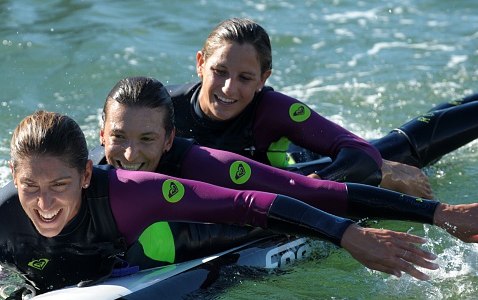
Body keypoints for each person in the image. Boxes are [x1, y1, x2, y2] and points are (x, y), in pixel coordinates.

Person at [0, 110, 437, 300]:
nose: (43, 203)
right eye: (29, 187)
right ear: (11, 179)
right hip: (39, 276)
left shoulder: (132, 195)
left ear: (87, 175)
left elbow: (248, 203)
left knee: (280, 208)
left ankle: (376, 164)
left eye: (59, 185)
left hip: (143, 254)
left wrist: (348, 233)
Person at [92, 75, 478, 267]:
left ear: (168, 138)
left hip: (270, 182)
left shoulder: (201, 163)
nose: (129, 153)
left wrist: (437, 213)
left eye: (146, 139)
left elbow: (306, 193)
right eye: (119, 137)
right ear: (102, 134)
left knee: (382, 155)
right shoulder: (78, 180)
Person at [167, 18, 478, 199]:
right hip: (290, 160)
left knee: (392, 153)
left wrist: (314, 187)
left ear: (263, 79)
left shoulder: (271, 110)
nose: (228, 88)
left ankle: (387, 172)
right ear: (200, 64)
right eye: (220, 71)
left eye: (245, 78)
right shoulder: (163, 108)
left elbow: (359, 153)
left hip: (297, 170)